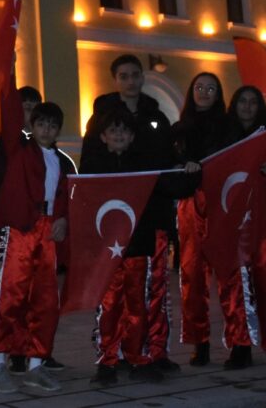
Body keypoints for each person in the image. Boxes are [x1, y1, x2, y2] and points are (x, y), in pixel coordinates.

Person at [81, 108, 200, 387]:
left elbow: (172, 186)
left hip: (139, 246)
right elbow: (82, 204)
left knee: (139, 307)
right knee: (108, 308)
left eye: (124, 131)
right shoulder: (94, 168)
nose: (119, 135)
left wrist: (193, 174)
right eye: (113, 131)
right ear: (103, 137)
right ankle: (106, 362)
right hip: (107, 253)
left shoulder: (144, 166)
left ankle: (139, 358)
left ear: (132, 136)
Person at [0, 89, 73, 394]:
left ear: (58, 130)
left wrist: (61, 219)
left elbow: (64, 197)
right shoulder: (17, 149)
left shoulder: (61, 161)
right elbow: (9, 116)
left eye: (52, 126)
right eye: (41, 124)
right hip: (21, 229)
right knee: (10, 295)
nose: (46, 130)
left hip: (47, 231)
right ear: (31, 126)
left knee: (46, 300)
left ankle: (36, 365)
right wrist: (8, 75)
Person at [224, 85, 266, 366]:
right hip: (235, 223)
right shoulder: (225, 136)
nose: (248, 107)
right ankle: (241, 343)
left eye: (253, 102)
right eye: (243, 102)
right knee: (238, 288)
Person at [170, 72, 227, 367]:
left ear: (218, 95)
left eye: (211, 88)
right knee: (192, 275)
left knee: (230, 277)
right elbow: (169, 162)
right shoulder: (179, 128)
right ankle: (199, 342)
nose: (204, 92)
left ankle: (239, 340)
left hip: (222, 204)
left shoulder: (227, 126)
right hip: (190, 205)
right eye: (200, 87)